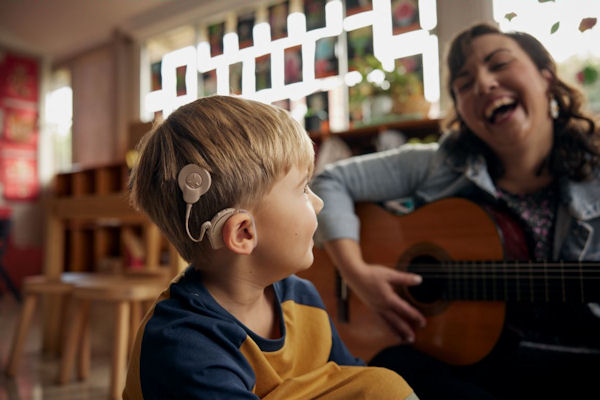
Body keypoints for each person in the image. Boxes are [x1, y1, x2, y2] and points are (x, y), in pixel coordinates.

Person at [312, 23, 600, 399]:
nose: (483, 84)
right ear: (462, 112)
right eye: (464, 84)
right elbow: (327, 181)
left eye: (499, 64)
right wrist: (359, 275)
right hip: (459, 370)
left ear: (546, 77)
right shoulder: (437, 164)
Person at [122, 95, 418, 400]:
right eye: (303, 189)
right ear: (243, 232)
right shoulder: (184, 345)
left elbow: (350, 383)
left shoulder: (302, 299)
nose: (318, 203)